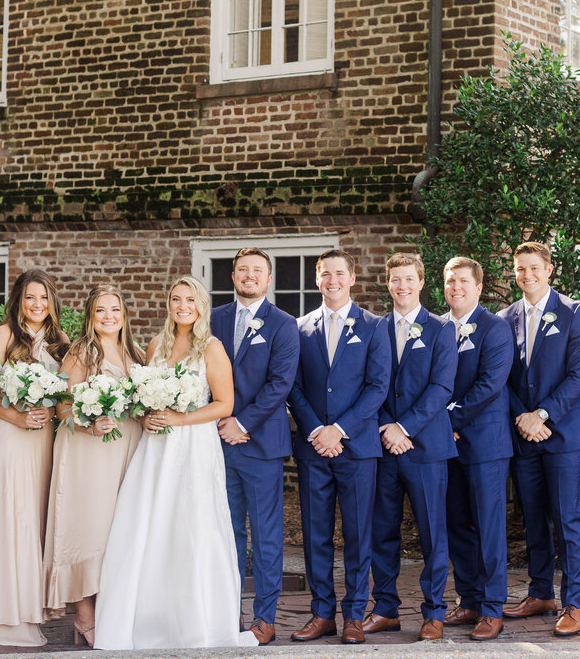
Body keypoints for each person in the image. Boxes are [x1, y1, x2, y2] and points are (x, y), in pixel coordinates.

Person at [94, 277, 259, 650]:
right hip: (155, 448)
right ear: (168, 304)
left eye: (190, 299)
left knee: (192, 526)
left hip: (194, 446)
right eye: (175, 299)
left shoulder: (212, 348)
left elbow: (224, 404)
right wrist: (147, 416)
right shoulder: (155, 344)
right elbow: (143, 399)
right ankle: (143, 621)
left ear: (201, 306)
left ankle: (196, 623)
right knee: (148, 525)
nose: (182, 305)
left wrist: (179, 419)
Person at [287, 249, 391, 646]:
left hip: (357, 448)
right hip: (314, 448)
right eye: (325, 273)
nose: (332, 280)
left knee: (358, 534)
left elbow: (377, 387)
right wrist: (317, 429)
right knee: (315, 535)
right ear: (317, 280)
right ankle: (321, 613)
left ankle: (353, 615)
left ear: (352, 278)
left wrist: (340, 429)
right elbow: (293, 386)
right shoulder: (299, 328)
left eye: (339, 273)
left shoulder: (373, 325)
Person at [498, 242, 580, 636]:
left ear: (549, 270)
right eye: (521, 269)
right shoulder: (504, 318)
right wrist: (523, 417)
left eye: (534, 268)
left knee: (567, 519)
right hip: (523, 436)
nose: (528, 275)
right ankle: (540, 592)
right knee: (533, 519)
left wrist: (542, 415)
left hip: (563, 435)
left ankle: (573, 602)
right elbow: (501, 376)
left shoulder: (575, 313)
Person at [0, 269, 67, 646]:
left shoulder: (60, 342)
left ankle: (28, 611)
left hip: (40, 441)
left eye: (43, 298)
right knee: (7, 517)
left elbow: (68, 395)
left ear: (52, 302)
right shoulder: (5, 335)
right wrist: (14, 416)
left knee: (32, 518)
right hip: (6, 436)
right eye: (30, 297)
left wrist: (52, 412)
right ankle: (0, 615)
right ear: (18, 301)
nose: (37, 305)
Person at [44, 285, 146, 647]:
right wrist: (90, 424)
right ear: (90, 316)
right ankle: (85, 617)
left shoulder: (135, 352)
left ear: (124, 314)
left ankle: (111, 610)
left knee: (117, 531)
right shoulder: (81, 352)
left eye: (114, 309)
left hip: (127, 450)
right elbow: (63, 407)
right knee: (90, 528)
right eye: (100, 310)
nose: (108, 317)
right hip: (90, 451)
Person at [362, 253, 455, 641]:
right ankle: (385, 608)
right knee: (382, 530)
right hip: (383, 447)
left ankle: (434, 612)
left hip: (426, 447)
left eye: (409, 279)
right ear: (388, 284)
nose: (402, 286)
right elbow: (368, 384)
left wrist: (404, 427)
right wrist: (387, 426)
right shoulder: (374, 329)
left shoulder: (440, 329)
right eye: (395, 280)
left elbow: (441, 388)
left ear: (421, 283)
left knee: (433, 532)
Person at [209, 248, 300, 645]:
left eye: (257, 271)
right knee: (225, 532)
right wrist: (216, 421)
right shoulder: (213, 319)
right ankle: (225, 612)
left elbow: (280, 383)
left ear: (268, 280)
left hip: (260, 443)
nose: (249, 276)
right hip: (215, 444)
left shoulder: (283, 325)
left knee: (265, 534)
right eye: (242, 270)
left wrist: (241, 423)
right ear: (232, 276)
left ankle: (264, 617)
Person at [439, 257, 513, 641]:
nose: (456, 288)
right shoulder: (435, 327)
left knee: (488, 525)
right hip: (444, 447)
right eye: (451, 282)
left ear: (478, 287)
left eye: (463, 282)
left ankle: (491, 607)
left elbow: (489, 385)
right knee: (457, 524)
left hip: (484, 443)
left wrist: (446, 422)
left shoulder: (495, 329)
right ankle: (468, 598)